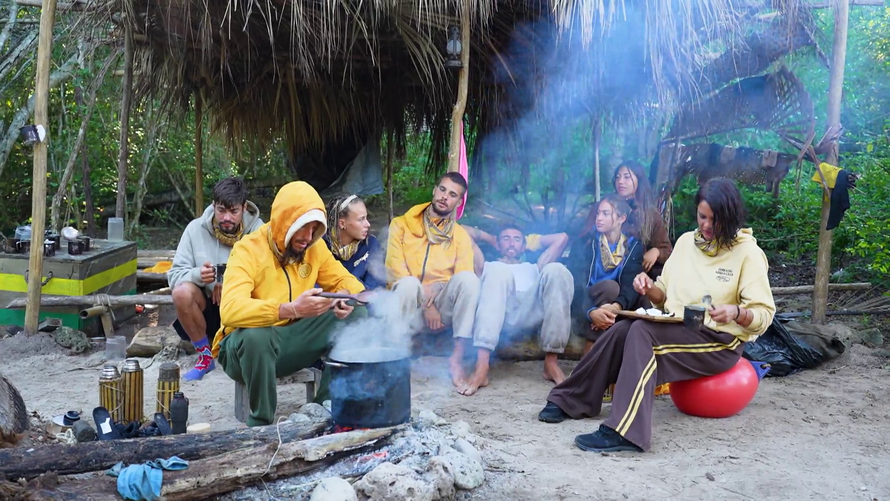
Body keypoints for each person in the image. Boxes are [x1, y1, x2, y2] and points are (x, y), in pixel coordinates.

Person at [538, 178, 776, 453]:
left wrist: (737, 312)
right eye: (702, 217)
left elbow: (764, 313)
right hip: (680, 326)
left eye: (715, 219)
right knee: (623, 328)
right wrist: (648, 287)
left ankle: (626, 431)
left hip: (719, 342)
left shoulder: (748, 253)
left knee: (642, 332)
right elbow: (662, 293)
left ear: (731, 217)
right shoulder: (686, 243)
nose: (707, 225)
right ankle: (571, 398)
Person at [211, 181, 367, 427]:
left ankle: (324, 409)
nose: (308, 237)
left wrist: (343, 296)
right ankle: (260, 423)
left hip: (292, 342)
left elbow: (348, 281)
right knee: (256, 336)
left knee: (357, 314)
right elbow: (230, 310)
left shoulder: (313, 247)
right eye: (303, 227)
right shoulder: (247, 250)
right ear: (285, 222)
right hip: (244, 353)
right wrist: (291, 309)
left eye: (314, 228)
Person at [386, 172, 481, 387]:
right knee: (408, 284)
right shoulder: (401, 225)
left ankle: (456, 358)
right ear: (434, 190)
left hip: (442, 309)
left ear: (459, 202)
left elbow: (462, 275)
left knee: (469, 280)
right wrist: (425, 303)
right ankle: (395, 358)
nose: (445, 196)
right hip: (408, 304)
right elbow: (394, 269)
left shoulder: (460, 235)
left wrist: (436, 292)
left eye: (453, 194)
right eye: (442, 189)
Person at [167, 177, 263, 381]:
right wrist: (198, 275)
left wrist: (228, 282)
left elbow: (267, 275)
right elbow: (174, 276)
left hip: (245, 309)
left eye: (233, 211)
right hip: (209, 307)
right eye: (221, 210)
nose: (226, 217)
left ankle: (246, 352)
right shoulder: (195, 229)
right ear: (213, 206)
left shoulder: (259, 232)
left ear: (244, 208)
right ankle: (205, 357)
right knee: (181, 293)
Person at [460, 225, 572, 396]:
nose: (511, 243)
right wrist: (492, 239)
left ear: (524, 246)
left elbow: (562, 237)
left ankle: (551, 362)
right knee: (498, 269)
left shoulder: (535, 267)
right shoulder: (487, 266)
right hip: (500, 312)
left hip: (531, 310)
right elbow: (462, 231)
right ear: (498, 245)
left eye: (517, 239)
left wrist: (530, 241)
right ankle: (482, 366)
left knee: (557, 270)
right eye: (506, 239)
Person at [578, 160, 672, 279]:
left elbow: (666, 249)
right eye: (618, 177)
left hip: (633, 276)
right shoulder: (602, 207)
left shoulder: (649, 214)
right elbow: (585, 238)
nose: (620, 181)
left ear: (639, 180)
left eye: (627, 177)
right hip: (600, 273)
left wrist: (656, 251)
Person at [578, 194, 645, 355]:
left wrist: (615, 307)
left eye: (606, 214)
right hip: (586, 300)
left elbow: (630, 283)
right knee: (610, 287)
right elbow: (577, 284)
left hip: (614, 304)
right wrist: (592, 312)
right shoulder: (587, 242)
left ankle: (593, 357)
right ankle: (590, 354)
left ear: (621, 218)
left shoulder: (633, 245)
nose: (599, 218)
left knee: (622, 291)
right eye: (598, 213)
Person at [323, 194, 384, 289]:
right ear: (342, 224)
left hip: (361, 297)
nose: (368, 224)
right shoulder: (321, 246)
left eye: (366, 218)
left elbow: (376, 287)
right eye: (361, 219)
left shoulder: (371, 245)